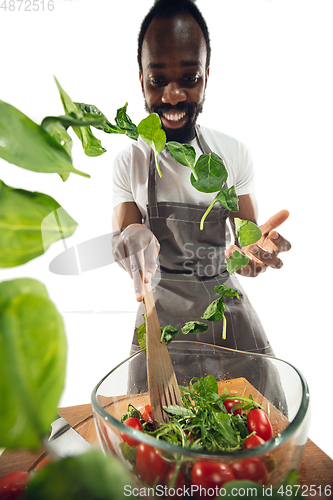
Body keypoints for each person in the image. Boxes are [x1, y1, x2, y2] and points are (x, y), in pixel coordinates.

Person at [112, 0, 291, 387]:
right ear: (140, 78)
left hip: (227, 317)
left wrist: (254, 253)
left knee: (259, 422)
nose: (173, 96)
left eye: (189, 78)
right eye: (157, 80)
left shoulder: (234, 154)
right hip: (158, 322)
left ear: (206, 76)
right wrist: (133, 238)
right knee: (150, 431)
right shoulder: (130, 161)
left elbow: (247, 243)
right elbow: (124, 239)